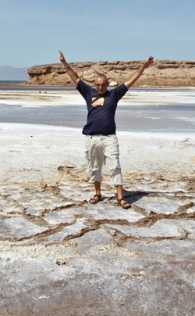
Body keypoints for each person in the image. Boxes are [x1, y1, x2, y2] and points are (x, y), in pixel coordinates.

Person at [59, 51, 154, 209]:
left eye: (103, 84)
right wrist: (65, 63)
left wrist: (143, 67)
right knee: (95, 167)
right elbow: (75, 78)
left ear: (107, 84)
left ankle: (120, 198)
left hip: (109, 137)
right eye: (97, 84)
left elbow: (131, 80)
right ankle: (98, 194)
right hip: (92, 138)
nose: (100, 87)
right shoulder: (89, 92)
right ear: (94, 84)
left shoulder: (114, 94)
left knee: (115, 165)